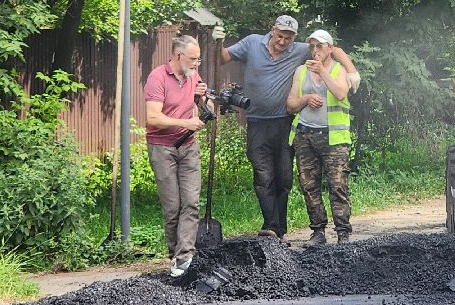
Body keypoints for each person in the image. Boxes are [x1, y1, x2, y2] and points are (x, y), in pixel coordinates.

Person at [217, 16, 357, 239]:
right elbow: (222, 58)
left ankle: (281, 229)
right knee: (264, 176)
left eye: (288, 37)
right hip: (257, 122)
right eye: (280, 35)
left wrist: (352, 72)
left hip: (286, 124)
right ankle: (272, 226)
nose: (283, 41)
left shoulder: (304, 51)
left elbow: (334, 52)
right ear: (272, 30)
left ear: (294, 38)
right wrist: (218, 43)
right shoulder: (253, 43)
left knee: (285, 178)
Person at [143, 35, 209, 277]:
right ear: (178, 55)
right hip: (162, 147)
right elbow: (153, 118)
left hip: (189, 145)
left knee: (191, 203)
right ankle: (175, 255)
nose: (196, 63)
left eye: (198, 59)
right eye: (193, 58)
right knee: (173, 207)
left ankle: (185, 258)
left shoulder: (193, 75)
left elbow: (203, 107)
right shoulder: (157, 77)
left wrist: (203, 98)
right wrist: (185, 122)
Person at [286, 29, 353, 245]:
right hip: (305, 135)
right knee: (309, 185)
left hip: (334, 138)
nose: (315, 51)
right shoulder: (301, 71)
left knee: (338, 185)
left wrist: (323, 71)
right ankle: (318, 231)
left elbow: (341, 93)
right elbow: (290, 105)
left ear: (330, 49)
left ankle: (343, 233)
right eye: (312, 46)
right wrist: (305, 99)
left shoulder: (340, 70)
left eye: (320, 46)